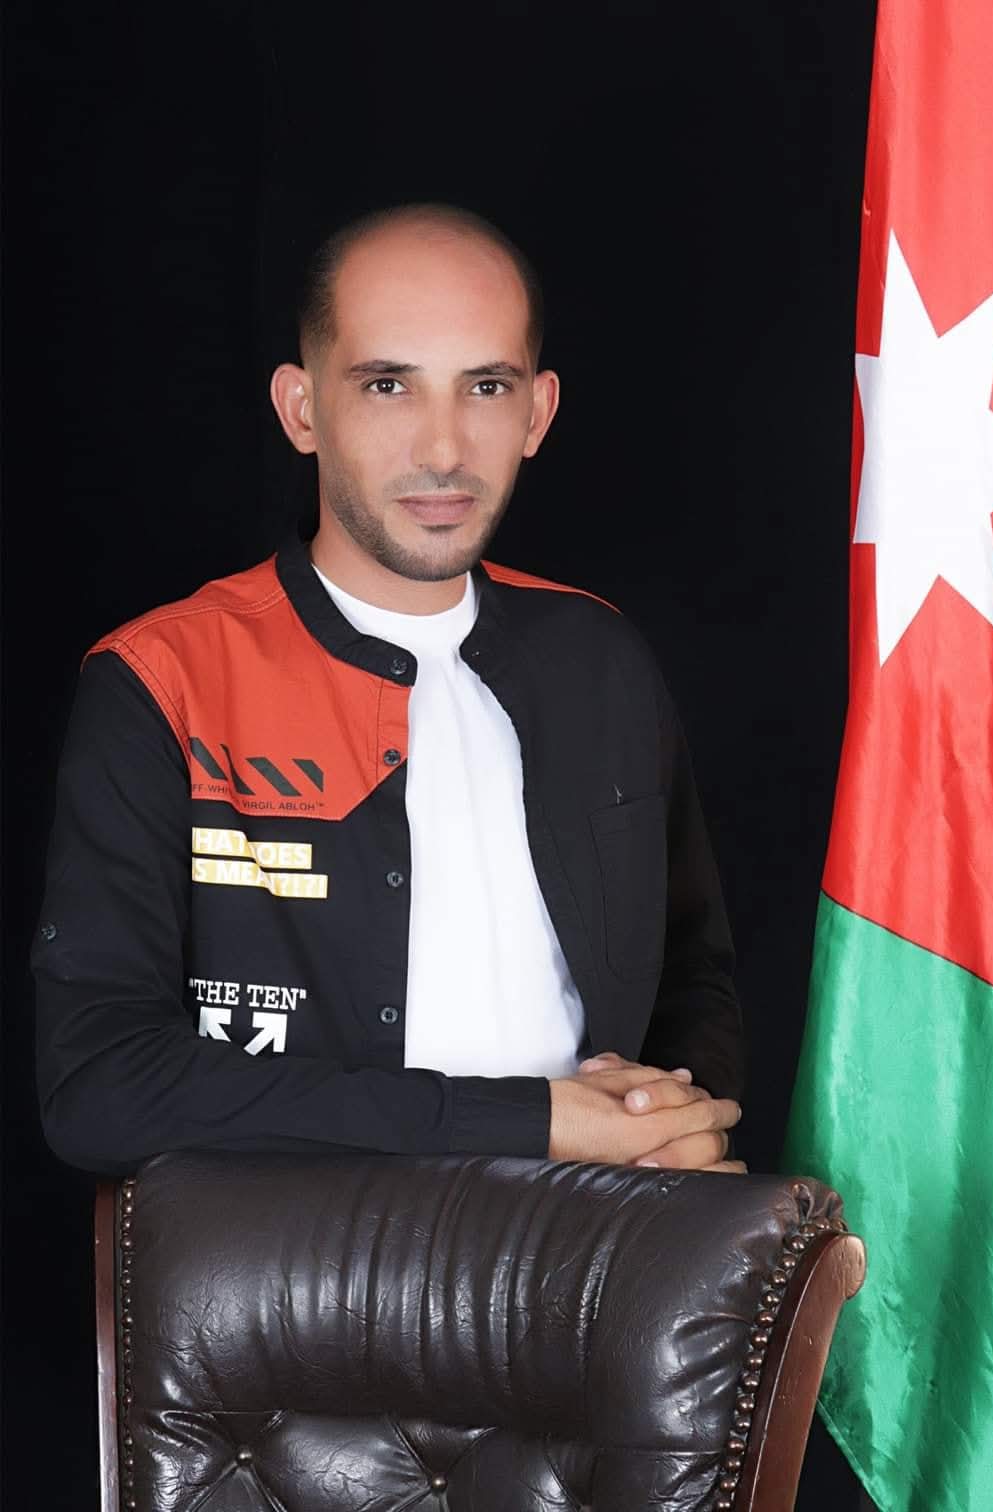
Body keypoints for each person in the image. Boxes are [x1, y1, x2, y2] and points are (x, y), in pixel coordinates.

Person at [32, 202, 745, 1177]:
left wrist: (674, 1119)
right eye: (387, 385)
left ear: (537, 413)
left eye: (484, 386)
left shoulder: (602, 655)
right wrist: (526, 1119)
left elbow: (695, 974)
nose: (443, 449)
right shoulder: (164, 677)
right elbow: (99, 1087)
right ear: (301, 409)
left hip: (594, 1244)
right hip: (302, 1257)